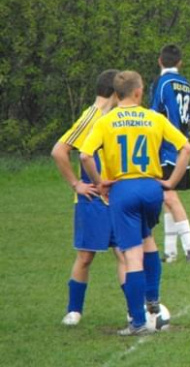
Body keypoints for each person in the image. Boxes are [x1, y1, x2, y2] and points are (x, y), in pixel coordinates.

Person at [80, 70, 190, 336]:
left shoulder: (106, 122)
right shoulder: (154, 118)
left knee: (131, 255)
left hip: (123, 189)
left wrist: (99, 183)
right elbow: (186, 148)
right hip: (152, 187)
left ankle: (138, 322)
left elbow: (85, 156)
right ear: (139, 92)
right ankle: (152, 299)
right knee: (148, 239)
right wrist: (171, 181)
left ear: (116, 94)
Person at [51, 69, 126, 326]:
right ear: (115, 92)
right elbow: (59, 151)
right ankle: (74, 311)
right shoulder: (90, 117)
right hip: (92, 199)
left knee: (124, 253)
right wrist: (76, 184)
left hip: (117, 196)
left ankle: (133, 310)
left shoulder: (116, 118)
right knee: (86, 256)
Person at [150, 44, 190, 264]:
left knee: (169, 194)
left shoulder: (161, 83)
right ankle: (170, 252)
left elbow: (153, 115)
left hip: (166, 148)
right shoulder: (186, 84)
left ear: (160, 60)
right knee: (167, 199)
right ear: (179, 62)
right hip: (182, 144)